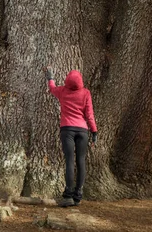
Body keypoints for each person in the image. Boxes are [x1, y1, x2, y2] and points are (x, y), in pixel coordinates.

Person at [45, 66, 97, 207]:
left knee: (69, 161)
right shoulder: (86, 93)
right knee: (80, 161)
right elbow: (90, 115)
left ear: (67, 80)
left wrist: (50, 77)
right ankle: (78, 196)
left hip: (67, 129)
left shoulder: (62, 91)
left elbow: (52, 88)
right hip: (83, 131)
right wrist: (94, 131)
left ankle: (68, 196)